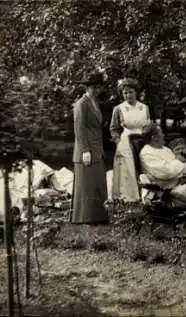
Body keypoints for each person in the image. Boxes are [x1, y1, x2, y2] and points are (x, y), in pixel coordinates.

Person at [71, 72, 109, 225]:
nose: (96, 90)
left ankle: (99, 216)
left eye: (98, 87)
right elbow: (79, 129)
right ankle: (85, 218)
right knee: (87, 185)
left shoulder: (95, 102)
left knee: (97, 182)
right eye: (93, 87)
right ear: (87, 87)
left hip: (97, 148)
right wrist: (85, 150)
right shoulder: (81, 104)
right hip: (86, 149)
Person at [109, 78, 152, 202]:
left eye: (131, 92)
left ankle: (146, 193)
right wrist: (118, 141)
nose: (128, 95)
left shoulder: (144, 107)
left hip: (143, 139)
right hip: (126, 140)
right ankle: (128, 196)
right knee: (128, 168)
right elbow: (114, 128)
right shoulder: (119, 108)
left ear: (136, 92)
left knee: (144, 166)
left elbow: (148, 125)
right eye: (125, 93)